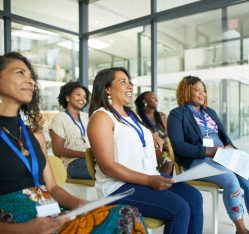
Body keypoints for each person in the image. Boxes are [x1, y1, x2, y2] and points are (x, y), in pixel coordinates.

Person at [0, 52, 147, 234]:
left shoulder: (34, 135)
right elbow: (60, 149)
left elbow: (52, 187)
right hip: (15, 222)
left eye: (31, 76)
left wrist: (81, 204)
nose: (30, 81)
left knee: (127, 214)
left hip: (50, 213)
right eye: (20, 73)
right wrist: (23, 230)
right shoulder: (62, 119)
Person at [87, 67, 204, 234]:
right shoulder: (101, 117)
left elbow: (134, 136)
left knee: (194, 197)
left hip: (146, 174)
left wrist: (151, 134)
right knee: (180, 208)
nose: (130, 86)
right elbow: (108, 166)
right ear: (107, 88)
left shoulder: (131, 115)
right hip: (118, 186)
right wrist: (149, 180)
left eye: (129, 82)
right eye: (123, 82)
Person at [167, 75, 249, 234]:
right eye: (197, 90)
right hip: (198, 159)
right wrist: (210, 151)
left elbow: (223, 136)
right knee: (230, 180)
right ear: (185, 92)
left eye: (203, 90)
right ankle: (241, 230)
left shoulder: (209, 112)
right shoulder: (177, 114)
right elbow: (178, 146)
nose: (202, 94)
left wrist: (230, 147)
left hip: (222, 155)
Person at [49, 81, 92, 179]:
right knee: (104, 170)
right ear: (67, 97)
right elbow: (57, 150)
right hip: (72, 163)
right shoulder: (59, 118)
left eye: (85, 97)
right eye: (78, 95)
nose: (82, 99)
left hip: (91, 160)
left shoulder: (87, 117)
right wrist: (85, 155)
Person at [135, 91, 173, 175]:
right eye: (153, 97)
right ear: (144, 101)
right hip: (150, 150)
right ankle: (162, 184)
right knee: (167, 161)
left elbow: (168, 134)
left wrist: (164, 141)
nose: (156, 100)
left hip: (166, 147)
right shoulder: (138, 118)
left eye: (156, 97)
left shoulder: (162, 116)